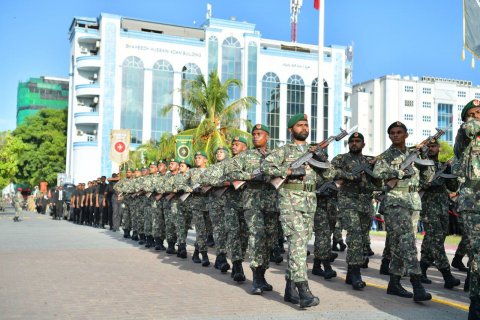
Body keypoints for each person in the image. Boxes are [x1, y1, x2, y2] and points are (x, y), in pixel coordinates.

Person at [262, 113, 333, 308]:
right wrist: (290, 171)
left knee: (299, 246)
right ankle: (303, 290)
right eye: (299, 125)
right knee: (298, 245)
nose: (304, 128)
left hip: (310, 202)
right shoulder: (284, 151)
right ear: (291, 130)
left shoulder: (314, 150)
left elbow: (330, 174)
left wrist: (321, 157)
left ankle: (289, 289)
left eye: (306, 125)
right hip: (290, 203)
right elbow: (266, 167)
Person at [372, 121, 433, 302]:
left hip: (413, 201)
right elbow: (377, 173)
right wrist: (399, 172)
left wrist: (426, 159)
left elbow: (428, 178)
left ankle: (394, 282)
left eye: (399, 132)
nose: (395, 135)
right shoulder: (386, 156)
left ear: (406, 135)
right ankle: (417, 283)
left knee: (401, 243)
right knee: (407, 242)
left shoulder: (415, 154)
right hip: (395, 202)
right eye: (392, 133)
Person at [226, 124, 277, 294]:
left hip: (271, 203)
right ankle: (255, 279)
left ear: (267, 136)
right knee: (256, 238)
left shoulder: (274, 155)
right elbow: (231, 172)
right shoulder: (245, 156)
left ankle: (262, 276)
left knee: (269, 240)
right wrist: (250, 176)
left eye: (259, 134)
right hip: (252, 202)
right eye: (254, 134)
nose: (255, 136)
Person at [331, 132, 381, 290]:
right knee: (354, 237)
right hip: (348, 201)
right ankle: (356, 274)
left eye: (358, 141)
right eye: (351, 141)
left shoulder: (369, 160)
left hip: (365, 203)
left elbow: (378, 182)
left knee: (362, 237)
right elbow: (331, 172)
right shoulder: (341, 159)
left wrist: (374, 170)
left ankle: (350, 273)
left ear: (363, 144)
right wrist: (350, 177)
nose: (354, 143)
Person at [418, 139, 460, 289]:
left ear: (439, 148)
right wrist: (429, 183)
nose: (431, 148)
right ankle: (447, 275)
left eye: (433, 146)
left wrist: (449, 173)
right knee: (435, 240)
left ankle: (421, 269)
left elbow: (453, 186)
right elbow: (417, 183)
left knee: (434, 240)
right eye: (428, 146)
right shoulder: (422, 166)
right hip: (429, 209)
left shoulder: (443, 166)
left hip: (443, 209)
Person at [452, 99, 480, 319]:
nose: (478, 115)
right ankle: (476, 305)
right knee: (478, 253)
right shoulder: (464, 137)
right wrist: (471, 120)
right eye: (474, 113)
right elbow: (468, 129)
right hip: (473, 201)